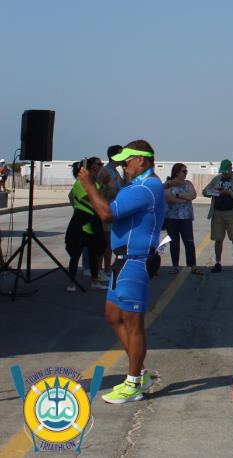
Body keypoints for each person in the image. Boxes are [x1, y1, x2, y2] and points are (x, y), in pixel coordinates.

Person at [77, 140, 165, 403]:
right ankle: (140, 373)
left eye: (127, 161)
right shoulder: (139, 186)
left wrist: (88, 185)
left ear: (141, 160)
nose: (123, 165)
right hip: (123, 261)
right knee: (113, 316)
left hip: (134, 262)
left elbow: (106, 213)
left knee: (133, 325)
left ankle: (134, 382)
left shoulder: (145, 188)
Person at [65, 157, 107, 292]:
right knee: (76, 253)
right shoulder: (79, 184)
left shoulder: (94, 184)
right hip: (81, 220)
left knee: (94, 252)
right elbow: (91, 198)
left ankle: (95, 281)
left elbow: (101, 196)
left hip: (93, 219)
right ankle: (71, 283)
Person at [203, 159, 233, 273]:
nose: (224, 174)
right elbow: (205, 191)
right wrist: (214, 191)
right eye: (222, 171)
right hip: (217, 213)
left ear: (231, 169)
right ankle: (217, 263)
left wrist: (230, 193)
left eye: (226, 171)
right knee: (218, 239)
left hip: (232, 213)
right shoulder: (217, 179)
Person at [164, 163, 200, 274]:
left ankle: (192, 265)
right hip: (172, 218)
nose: (185, 173)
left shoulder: (188, 183)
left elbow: (193, 195)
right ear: (176, 172)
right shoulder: (168, 184)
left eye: (186, 171)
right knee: (174, 242)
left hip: (186, 218)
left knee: (189, 242)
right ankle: (175, 266)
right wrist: (185, 198)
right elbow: (169, 198)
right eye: (183, 171)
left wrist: (179, 195)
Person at [96, 145, 125, 280]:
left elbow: (123, 187)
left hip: (113, 211)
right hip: (105, 210)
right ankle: (98, 270)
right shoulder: (105, 172)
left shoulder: (116, 172)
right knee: (103, 243)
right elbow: (98, 192)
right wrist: (110, 190)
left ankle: (107, 268)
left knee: (110, 243)